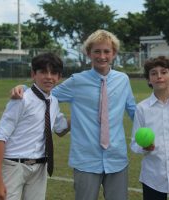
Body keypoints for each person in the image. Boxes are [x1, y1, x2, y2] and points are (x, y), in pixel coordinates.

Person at [10, 30, 136, 200]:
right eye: (97, 51)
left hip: (117, 158)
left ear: (114, 53)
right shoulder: (77, 81)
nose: (102, 56)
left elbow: (134, 111)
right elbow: (47, 93)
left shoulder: (123, 80)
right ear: (89, 53)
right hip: (85, 159)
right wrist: (24, 89)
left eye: (107, 51)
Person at [0, 53, 70, 200]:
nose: (49, 77)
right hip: (14, 165)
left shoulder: (53, 101)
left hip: (40, 167)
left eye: (53, 73)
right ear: (33, 74)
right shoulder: (21, 99)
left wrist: (84, 112)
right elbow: (0, 137)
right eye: (43, 72)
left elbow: (61, 128)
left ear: (59, 77)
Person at [130, 56, 169, 200]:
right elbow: (134, 144)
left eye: (164, 72)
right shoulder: (142, 108)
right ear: (149, 79)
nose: (159, 76)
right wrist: (145, 147)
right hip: (153, 177)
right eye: (154, 73)